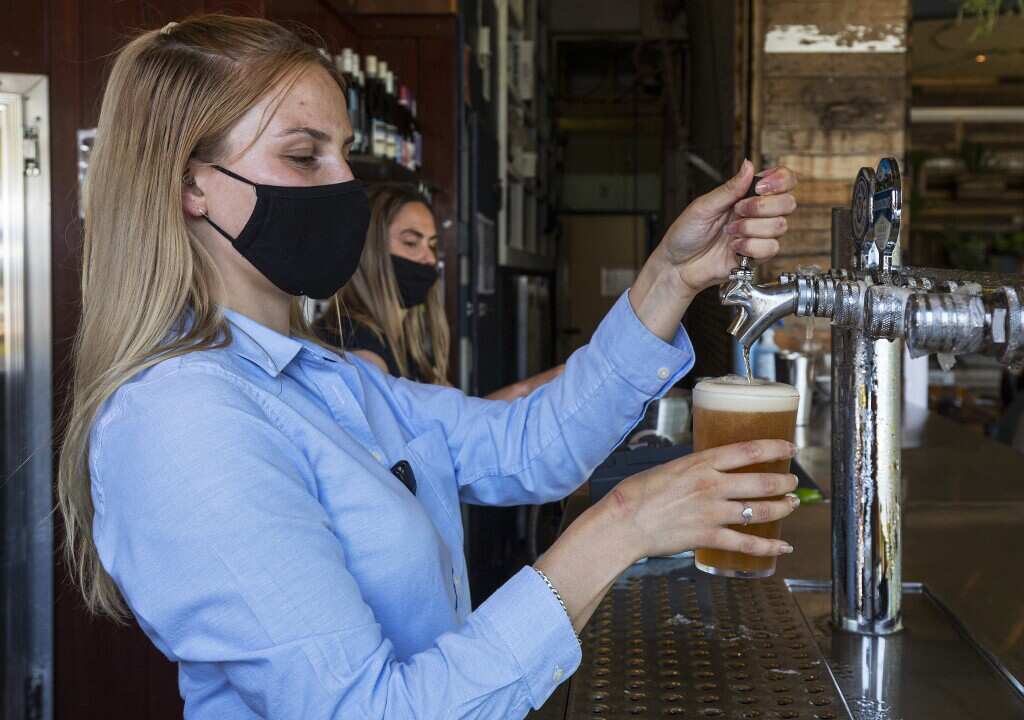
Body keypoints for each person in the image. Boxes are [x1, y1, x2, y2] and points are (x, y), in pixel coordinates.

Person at [58, 16, 801, 719]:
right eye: (302, 155)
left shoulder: (329, 379)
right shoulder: (183, 422)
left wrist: (670, 278)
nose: (344, 185)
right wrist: (624, 525)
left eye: (344, 153)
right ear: (191, 184)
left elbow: (529, 446)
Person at [314, 184, 561, 399]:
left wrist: (532, 388)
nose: (428, 258)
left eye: (432, 245)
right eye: (411, 243)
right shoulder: (359, 349)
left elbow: (462, 420)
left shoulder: (409, 345)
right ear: (369, 253)